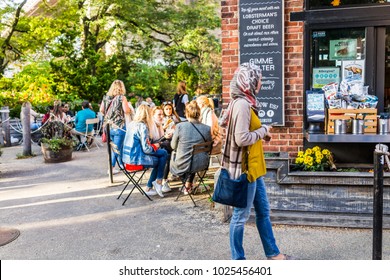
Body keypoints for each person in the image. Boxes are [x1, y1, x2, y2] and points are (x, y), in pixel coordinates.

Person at [221, 63, 294, 260]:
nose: (261, 82)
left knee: (263, 212)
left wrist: (263, 134)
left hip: (255, 166)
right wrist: (263, 130)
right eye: (259, 79)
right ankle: (238, 260)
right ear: (249, 81)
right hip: (246, 169)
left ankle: (273, 253)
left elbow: (247, 133)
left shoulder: (246, 102)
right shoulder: (243, 105)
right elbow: (241, 138)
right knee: (240, 217)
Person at [122, 104, 168, 197]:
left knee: (162, 156)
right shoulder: (143, 126)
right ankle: (158, 182)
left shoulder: (131, 124)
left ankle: (151, 186)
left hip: (126, 159)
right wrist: (157, 145)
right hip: (136, 160)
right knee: (163, 155)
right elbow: (147, 149)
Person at [170, 100, 212, 194]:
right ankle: (188, 184)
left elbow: (173, 146)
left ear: (186, 113)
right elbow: (208, 146)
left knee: (178, 156)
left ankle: (185, 184)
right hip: (201, 164)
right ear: (199, 113)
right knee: (193, 157)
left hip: (183, 164)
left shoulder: (180, 126)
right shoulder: (207, 128)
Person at [100, 80, 130, 174]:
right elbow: (126, 111)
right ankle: (111, 168)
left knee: (117, 146)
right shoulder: (122, 98)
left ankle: (122, 165)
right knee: (117, 149)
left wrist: (110, 115)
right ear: (122, 87)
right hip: (119, 126)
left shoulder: (105, 98)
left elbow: (101, 110)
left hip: (108, 127)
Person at [149, 106, 174, 193]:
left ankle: (161, 181)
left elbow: (159, 140)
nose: (161, 116)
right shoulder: (151, 126)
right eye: (159, 115)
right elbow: (152, 143)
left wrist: (165, 136)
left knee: (169, 152)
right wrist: (164, 137)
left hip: (158, 148)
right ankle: (162, 181)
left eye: (162, 114)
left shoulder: (159, 125)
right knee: (167, 154)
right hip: (149, 151)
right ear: (153, 115)